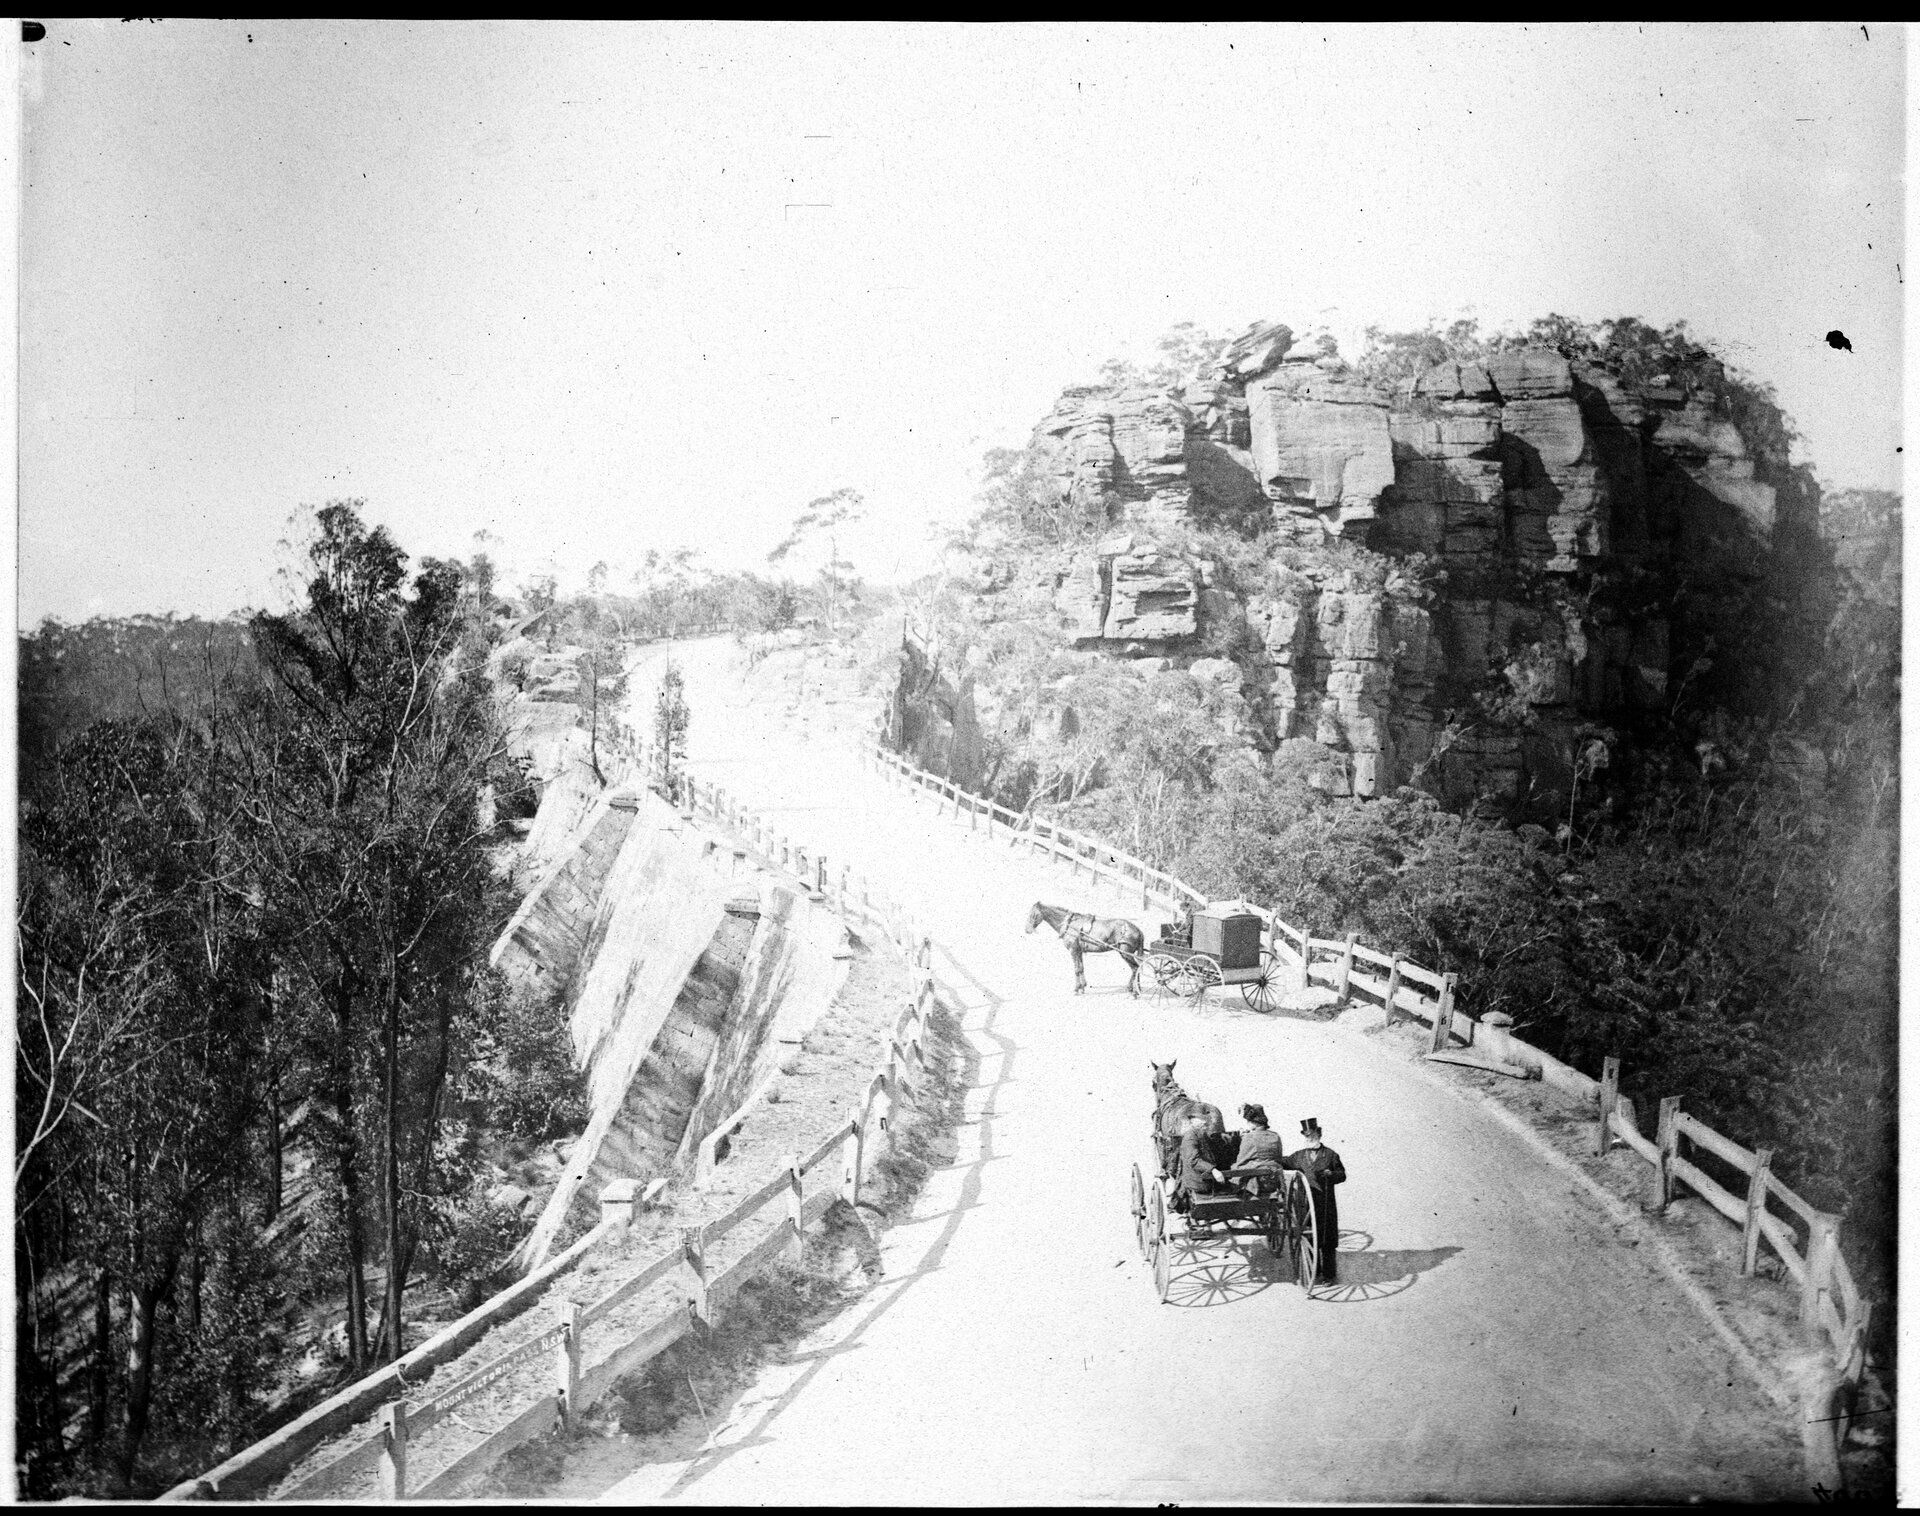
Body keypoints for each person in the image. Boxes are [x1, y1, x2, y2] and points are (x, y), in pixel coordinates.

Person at [1282, 1117, 1346, 1283]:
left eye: (1313, 1134)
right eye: (1307, 1135)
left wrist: (1332, 1175)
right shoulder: (1299, 1156)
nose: (1310, 1138)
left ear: (1319, 1134)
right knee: (1309, 1238)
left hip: (1325, 1204)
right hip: (1306, 1205)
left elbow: (1342, 1175)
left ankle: (1329, 1276)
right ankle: (1313, 1271)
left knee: (1327, 1241)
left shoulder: (1331, 1155)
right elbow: (1284, 1162)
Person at [1231, 1103, 1285, 1194]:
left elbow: (1241, 1162)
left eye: (1248, 1121)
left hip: (1257, 1183)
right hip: (1274, 1180)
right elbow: (1278, 1158)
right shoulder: (1276, 1136)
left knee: (1234, 1168)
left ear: (1253, 1123)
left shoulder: (1249, 1137)